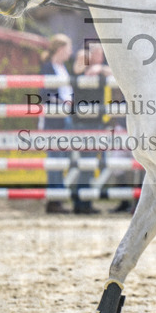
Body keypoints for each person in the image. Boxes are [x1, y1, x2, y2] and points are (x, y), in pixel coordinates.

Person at [71, 41, 112, 214]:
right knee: (85, 163)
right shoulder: (81, 64)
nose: (101, 57)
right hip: (83, 122)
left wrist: (100, 68)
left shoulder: (101, 68)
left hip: (96, 122)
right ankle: (81, 203)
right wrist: (87, 58)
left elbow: (113, 72)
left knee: (91, 163)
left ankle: (84, 202)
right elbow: (78, 69)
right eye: (98, 54)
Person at [39, 34, 73, 215]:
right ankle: (54, 200)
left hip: (65, 118)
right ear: (60, 49)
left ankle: (57, 198)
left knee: (61, 160)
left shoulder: (62, 67)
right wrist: (63, 104)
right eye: (68, 48)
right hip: (53, 119)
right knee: (55, 160)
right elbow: (45, 94)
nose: (70, 52)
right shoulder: (47, 67)